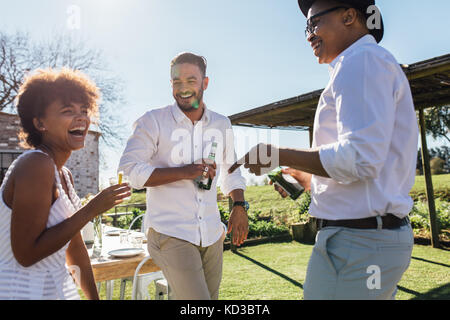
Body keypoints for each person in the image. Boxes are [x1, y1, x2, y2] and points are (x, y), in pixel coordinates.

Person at [229, 0, 418, 299]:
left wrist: (276, 153)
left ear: (348, 16)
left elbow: (360, 159)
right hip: (364, 241)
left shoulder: (361, 60)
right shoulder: (362, 62)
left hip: (360, 244)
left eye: (314, 22)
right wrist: (310, 181)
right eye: (306, 26)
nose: (308, 35)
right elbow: (366, 169)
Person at [118, 52, 249, 300]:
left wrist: (239, 205)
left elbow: (231, 170)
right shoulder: (152, 121)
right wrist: (185, 171)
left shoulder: (222, 124)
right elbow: (129, 170)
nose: (184, 88)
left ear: (205, 83)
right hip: (171, 233)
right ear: (170, 84)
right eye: (177, 82)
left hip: (211, 233)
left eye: (191, 80)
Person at [0, 68, 131, 300]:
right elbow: (26, 254)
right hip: (21, 292)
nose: (82, 118)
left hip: (53, 290)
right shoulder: (35, 165)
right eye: (67, 111)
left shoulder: (64, 175)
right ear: (40, 123)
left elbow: (75, 249)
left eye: (84, 110)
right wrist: (92, 209)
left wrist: (94, 298)